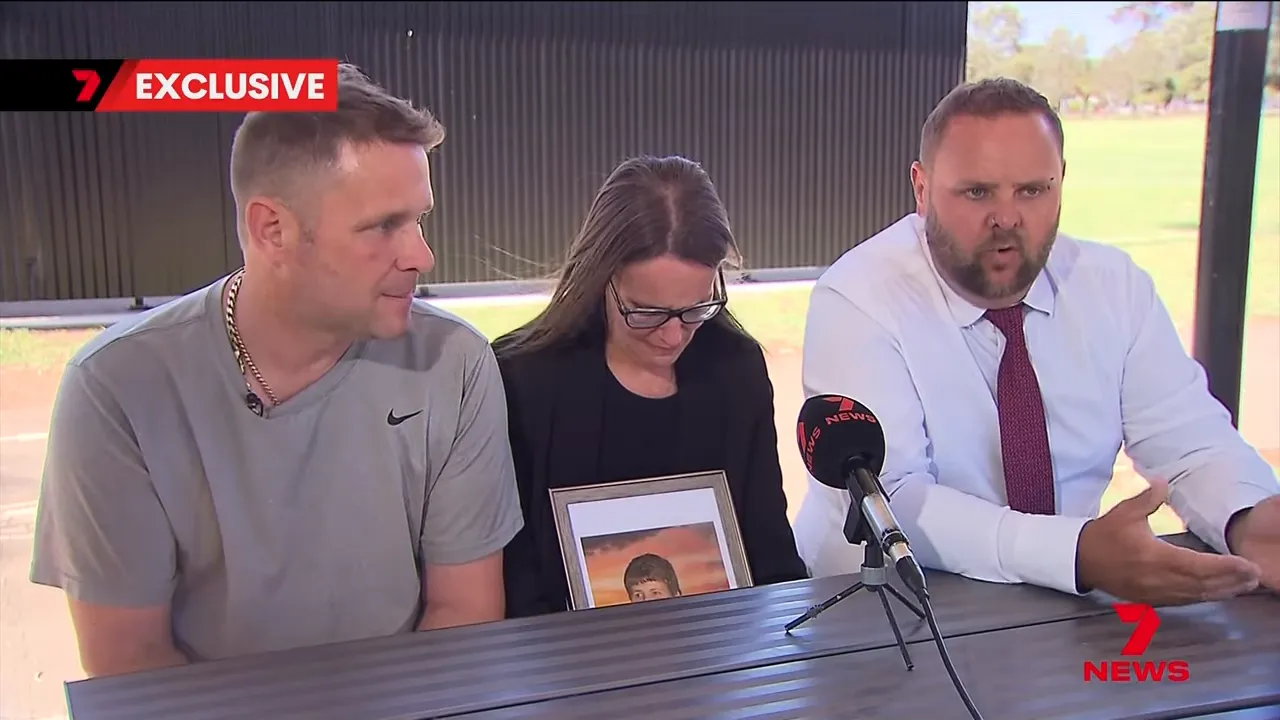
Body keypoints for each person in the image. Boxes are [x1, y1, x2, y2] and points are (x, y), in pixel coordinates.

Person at [28, 63, 525, 678]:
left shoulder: (456, 364)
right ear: (273, 230)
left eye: (419, 218)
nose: (421, 254)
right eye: (384, 226)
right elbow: (131, 666)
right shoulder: (116, 387)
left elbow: (464, 617)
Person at [793, 77, 1280, 606]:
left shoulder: (1114, 287)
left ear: (1061, 182)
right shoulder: (859, 296)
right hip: (878, 605)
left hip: (1061, 605)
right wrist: (1076, 552)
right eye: (977, 192)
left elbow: (1191, 445)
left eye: (1032, 190)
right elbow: (890, 499)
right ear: (922, 188)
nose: (1007, 217)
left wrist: (1247, 518)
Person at [492, 155, 810, 617]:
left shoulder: (735, 370)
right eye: (647, 312)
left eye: (696, 309)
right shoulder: (524, 381)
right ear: (603, 278)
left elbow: (770, 550)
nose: (672, 336)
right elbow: (514, 577)